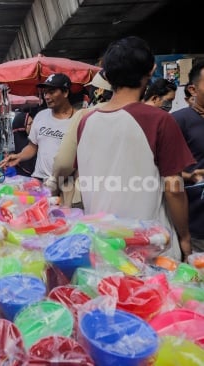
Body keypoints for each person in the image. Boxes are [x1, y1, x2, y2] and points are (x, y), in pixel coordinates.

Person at [75, 36, 194, 261]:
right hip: (152, 249)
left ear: (107, 76)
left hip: (102, 247)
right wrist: (185, 236)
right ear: (151, 70)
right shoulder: (159, 120)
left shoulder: (85, 122)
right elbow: (174, 187)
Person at [50, 70, 113, 208]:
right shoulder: (136, 115)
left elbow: (64, 163)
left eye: (92, 89)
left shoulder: (84, 115)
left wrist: (54, 186)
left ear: (99, 91)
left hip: (86, 196)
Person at [0, 73, 75, 182]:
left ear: (65, 92)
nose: (47, 97)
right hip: (40, 181)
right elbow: (32, 147)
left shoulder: (78, 119)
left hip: (67, 183)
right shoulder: (41, 116)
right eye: (45, 93)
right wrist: (19, 156)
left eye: (52, 92)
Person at [172, 60, 204, 253]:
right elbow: (161, 169)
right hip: (196, 224)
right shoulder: (178, 121)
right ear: (193, 89)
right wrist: (188, 176)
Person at [10, 111, 36, 177]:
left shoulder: (35, 143)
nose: (34, 126)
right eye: (30, 124)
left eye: (34, 122)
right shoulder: (13, 155)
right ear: (22, 128)